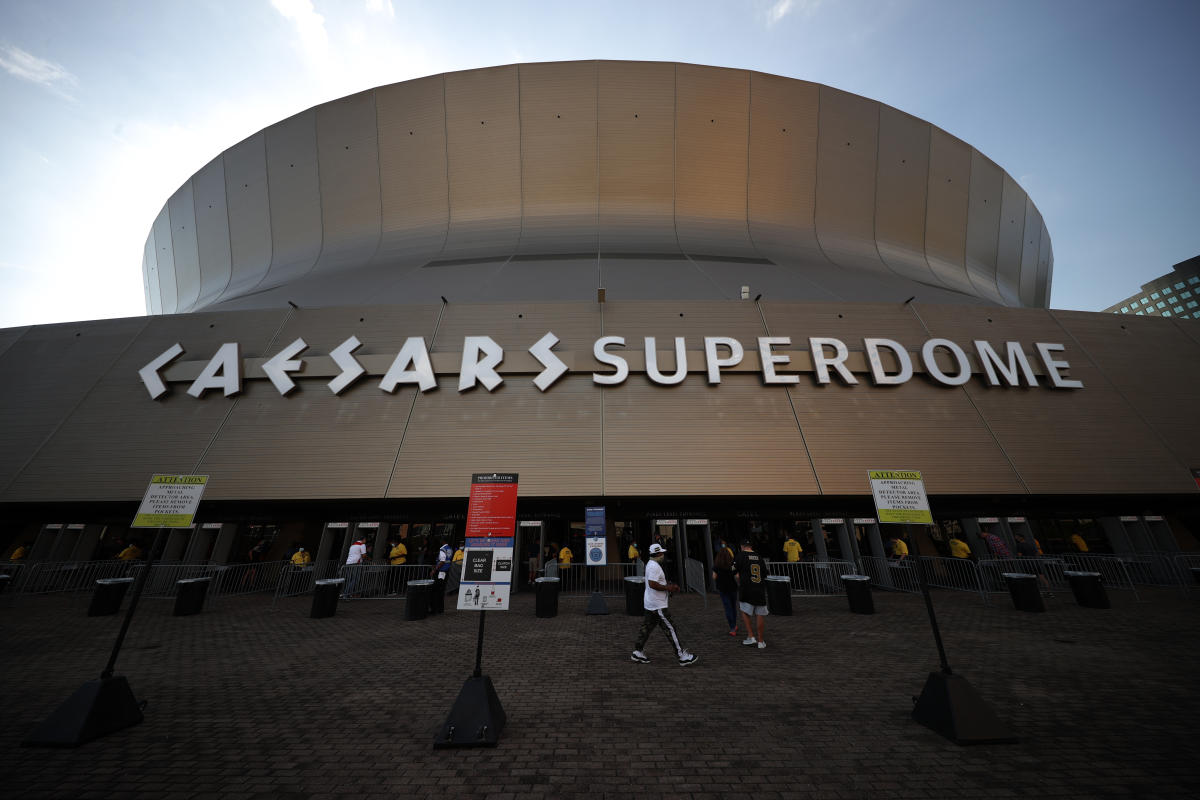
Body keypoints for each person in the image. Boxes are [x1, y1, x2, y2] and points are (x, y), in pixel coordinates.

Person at [630, 543, 699, 666]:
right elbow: (653, 583)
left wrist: (668, 586)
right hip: (658, 605)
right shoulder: (654, 566)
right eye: (661, 553)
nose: (663, 555)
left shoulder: (651, 564)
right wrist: (668, 587)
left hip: (651, 603)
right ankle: (681, 655)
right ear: (657, 554)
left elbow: (656, 582)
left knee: (646, 628)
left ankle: (638, 651)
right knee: (671, 628)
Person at [734, 539, 768, 649]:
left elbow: (733, 570)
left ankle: (751, 636)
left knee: (744, 610)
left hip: (746, 588)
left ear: (742, 546)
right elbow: (765, 573)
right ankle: (761, 641)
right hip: (759, 588)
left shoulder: (740, 556)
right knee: (760, 614)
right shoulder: (759, 556)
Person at [711, 548, 740, 637]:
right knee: (733, 607)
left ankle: (732, 628)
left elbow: (714, 577)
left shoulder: (717, 565)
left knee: (727, 608)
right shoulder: (732, 564)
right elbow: (737, 576)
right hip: (732, 587)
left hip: (722, 588)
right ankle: (734, 625)